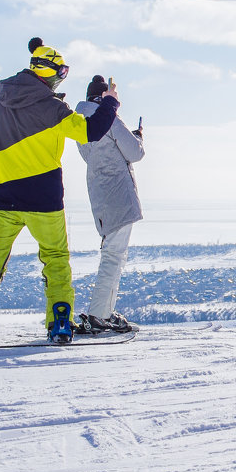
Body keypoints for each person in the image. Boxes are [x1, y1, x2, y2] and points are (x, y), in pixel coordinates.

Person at [0, 38, 120, 347]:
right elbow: (92, 131)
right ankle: (59, 322)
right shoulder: (52, 107)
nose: (62, 78)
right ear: (51, 73)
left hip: (3, 197)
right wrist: (110, 101)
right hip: (45, 197)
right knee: (55, 258)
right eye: (62, 72)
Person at [74, 75, 144, 334]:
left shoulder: (81, 123)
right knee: (114, 256)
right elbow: (135, 153)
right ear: (104, 96)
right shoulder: (109, 118)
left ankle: (102, 311)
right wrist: (137, 137)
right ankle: (100, 315)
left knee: (111, 254)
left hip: (100, 195)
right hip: (118, 196)